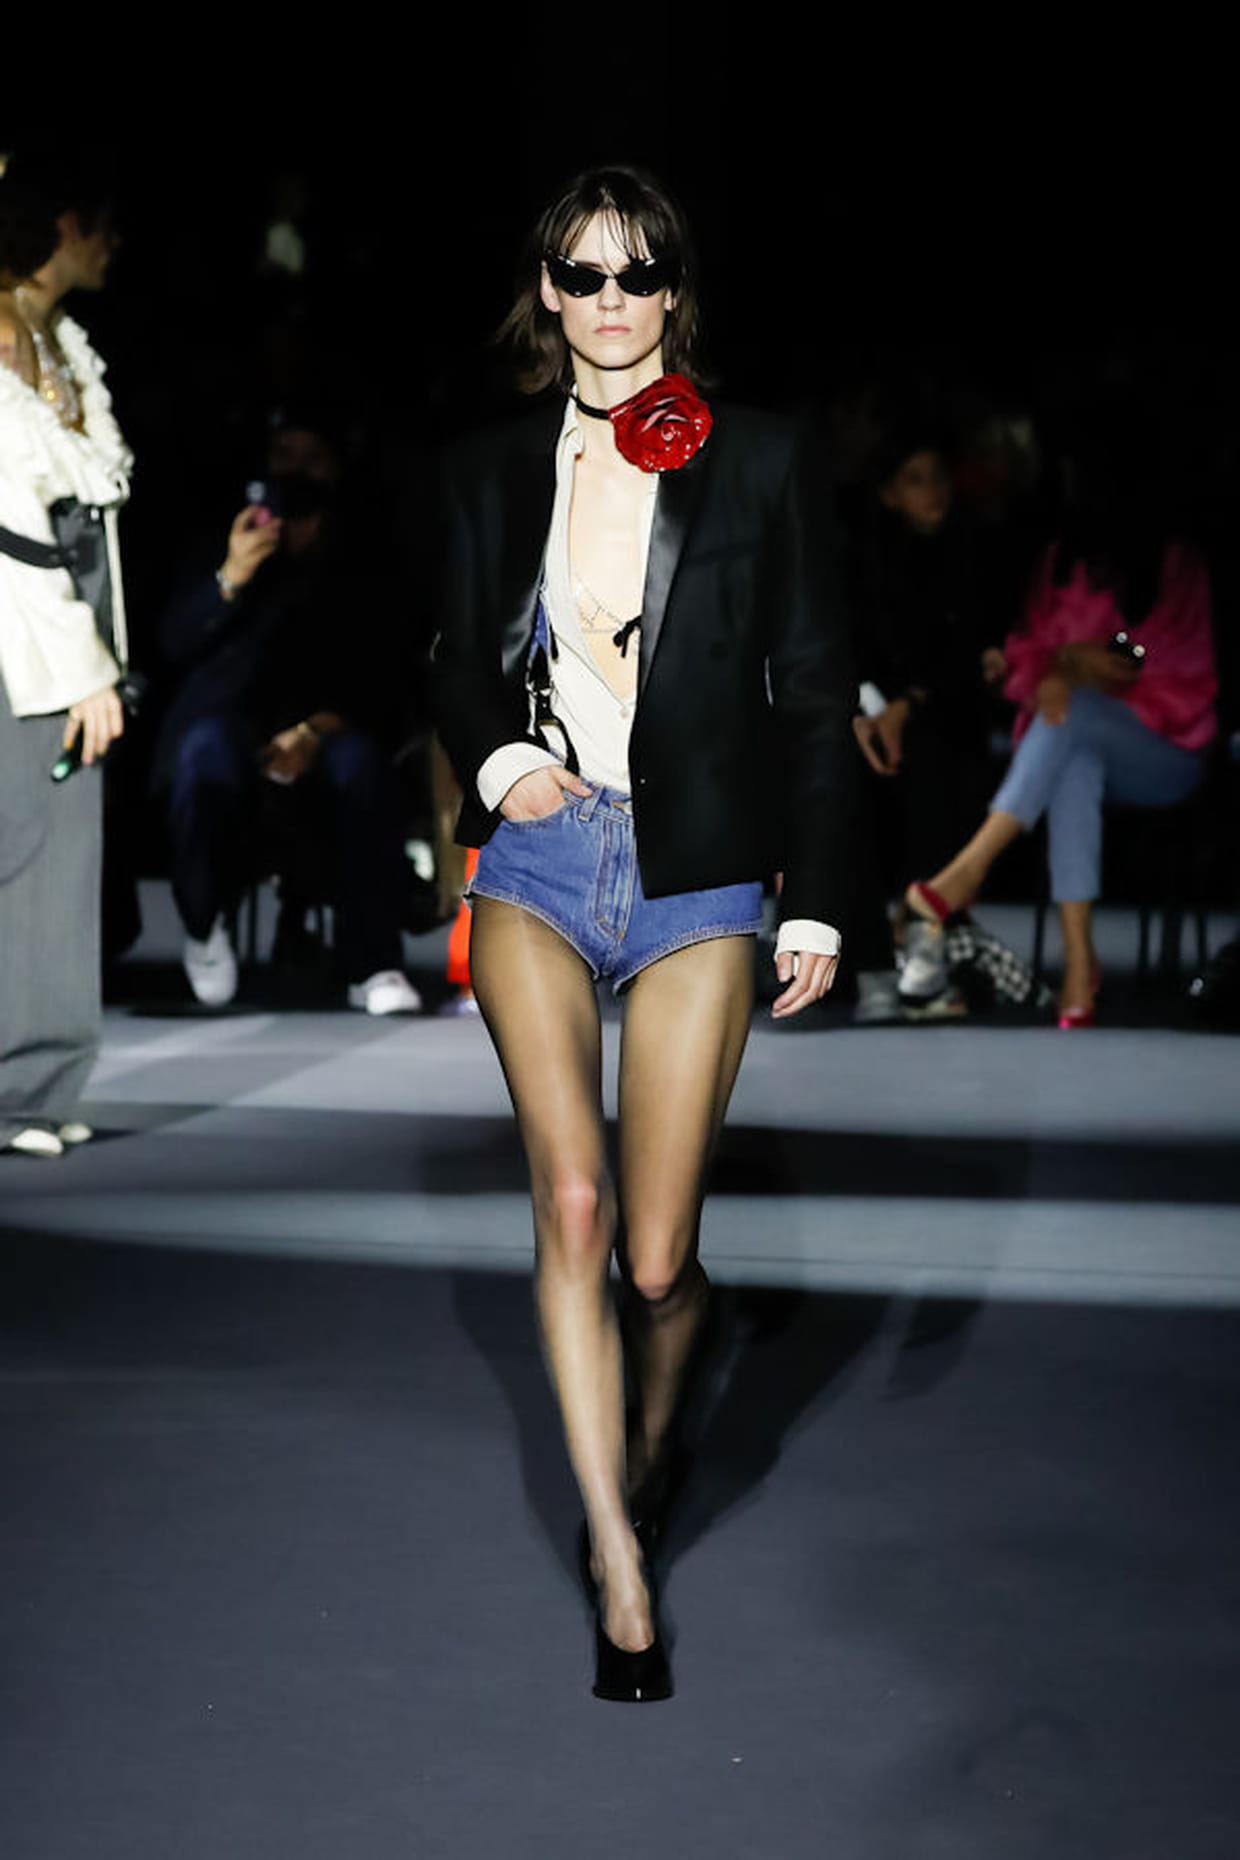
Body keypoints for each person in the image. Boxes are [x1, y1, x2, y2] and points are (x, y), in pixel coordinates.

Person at [433, 165, 854, 1700]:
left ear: (675, 288)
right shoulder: (489, 466)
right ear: (546, 291)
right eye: (582, 273)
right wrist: (500, 762)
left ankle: (657, 1430)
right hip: (542, 864)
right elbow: (449, 654)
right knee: (573, 1204)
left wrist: (820, 895)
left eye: (638, 272)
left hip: (700, 878)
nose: (610, 301)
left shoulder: (765, 461)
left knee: (660, 1260)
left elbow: (814, 689)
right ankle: (617, 1556)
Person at [904, 416, 1217, 1026]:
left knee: (1076, 717)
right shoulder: (1061, 559)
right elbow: (1028, 650)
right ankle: (1079, 965)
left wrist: (1101, 667)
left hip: (1166, 750)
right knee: (1073, 754)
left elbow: (1181, 671)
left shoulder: (1177, 565)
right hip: (1073, 737)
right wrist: (1058, 666)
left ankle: (967, 871)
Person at [151, 419, 421, 1013]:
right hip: (233, 729)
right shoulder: (228, 534)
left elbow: (388, 669)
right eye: (283, 454)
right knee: (201, 753)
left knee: (360, 765)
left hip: (329, 727)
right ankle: (203, 926)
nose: (296, 470)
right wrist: (231, 575)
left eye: (312, 456)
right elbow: (173, 644)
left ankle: (373, 963)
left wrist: (315, 730)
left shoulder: (361, 549)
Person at [0, 158, 129, 1159]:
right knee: (27, 847)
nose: (109, 245)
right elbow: (11, 518)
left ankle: (39, 1084)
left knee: (59, 851)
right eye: (97, 225)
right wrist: (82, 661)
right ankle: (19, 1092)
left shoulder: (53, 334)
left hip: (69, 597)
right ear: (61, 225)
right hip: (26, 615)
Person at [847, 427, 1015, 1017]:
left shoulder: (975, 554)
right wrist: (873, 711)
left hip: (946, 718)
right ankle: (868, 960)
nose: (932, 491)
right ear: (889, 492)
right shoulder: (864, 560)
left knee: (936, 758)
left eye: (938, 478)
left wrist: (908, 706)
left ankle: (924, 942)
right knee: (845, 768)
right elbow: (850, 650)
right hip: (870, 716)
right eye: (915, 480)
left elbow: (976, 659)